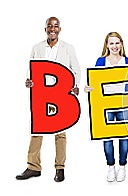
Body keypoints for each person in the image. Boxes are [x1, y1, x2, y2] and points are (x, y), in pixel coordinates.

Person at [16, 16, 81, 182]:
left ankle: (60, 168)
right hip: (41, 95)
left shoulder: (68, 48)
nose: (53, 29)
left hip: (60, 95)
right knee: (37, 130)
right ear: (45, 29)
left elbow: (76, 70)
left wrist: (75, 86)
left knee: (60, 133)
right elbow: (31, 69)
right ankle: (33, 167)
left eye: (56, 26)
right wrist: (28, 81)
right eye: (49, 26)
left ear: (60, 29)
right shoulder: (37, 48)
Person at [84, 32, 128, 182]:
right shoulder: (101, 62)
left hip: (122, 104)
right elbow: (95, 82)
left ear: (121, 44)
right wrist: (88, 88)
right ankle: (110, 167)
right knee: (107, 137)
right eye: (111, 43)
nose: (114, 46)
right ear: (107, 45)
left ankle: (122, 166)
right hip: (105, 105)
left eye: (117, 43)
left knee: (123, 136)